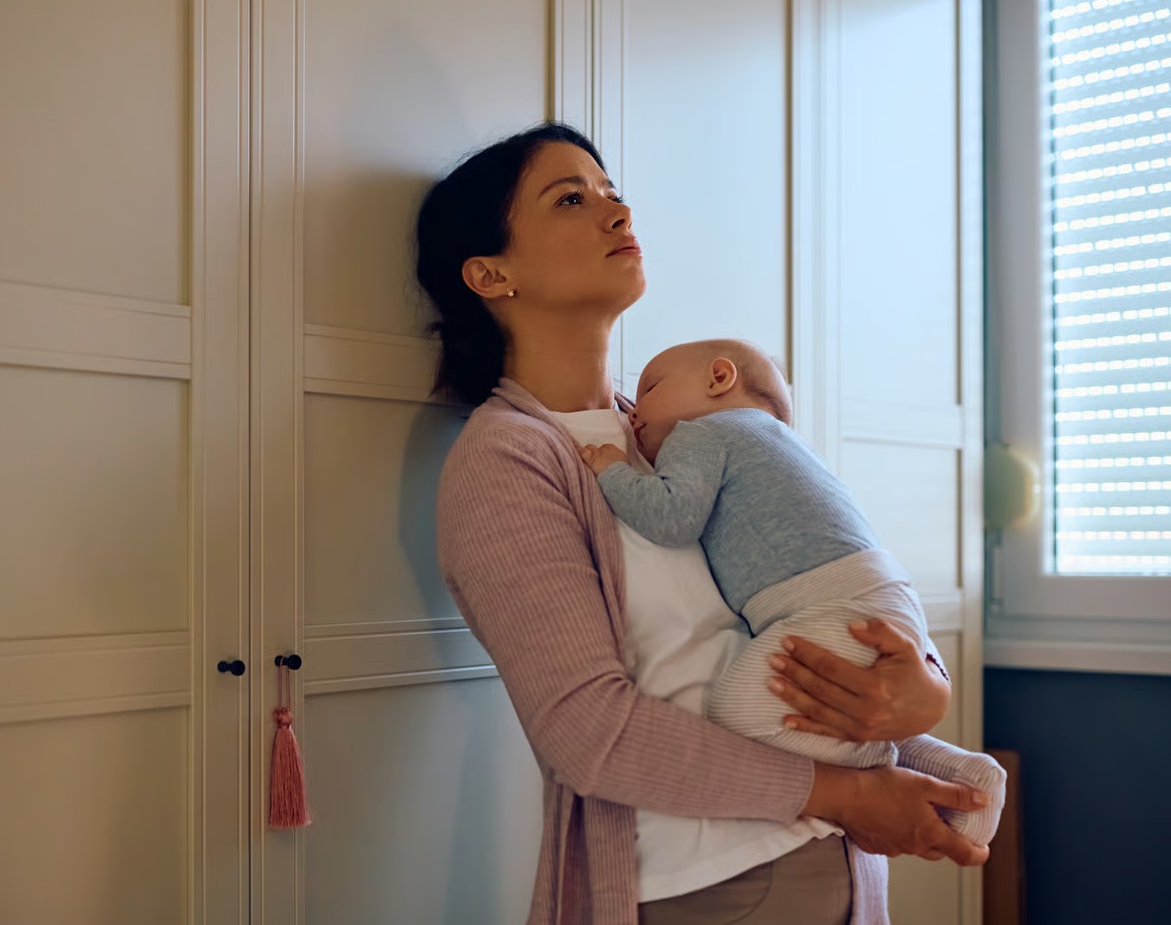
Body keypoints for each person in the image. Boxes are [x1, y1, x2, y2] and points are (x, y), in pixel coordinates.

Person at [416, 122, 990, 925]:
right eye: (571, 199)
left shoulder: (692, 431)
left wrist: (919, 689)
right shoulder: (506, 461)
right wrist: (854, 794)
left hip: (836, 862)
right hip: (708, 886)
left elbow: (822, 580)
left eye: (614, 194)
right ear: (490, 273)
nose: (617, 214)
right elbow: (588, 731)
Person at [578, 339, 1005, 845]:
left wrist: (612, 471)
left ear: (719, 378)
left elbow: (671, 518)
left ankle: (881, 770)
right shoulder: (779, 446)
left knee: (736, 713)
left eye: (648, 389)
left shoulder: (703, 433)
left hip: (827, 602)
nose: (635, 412)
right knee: (852, 701)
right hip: (879, 595)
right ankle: (968, 778)